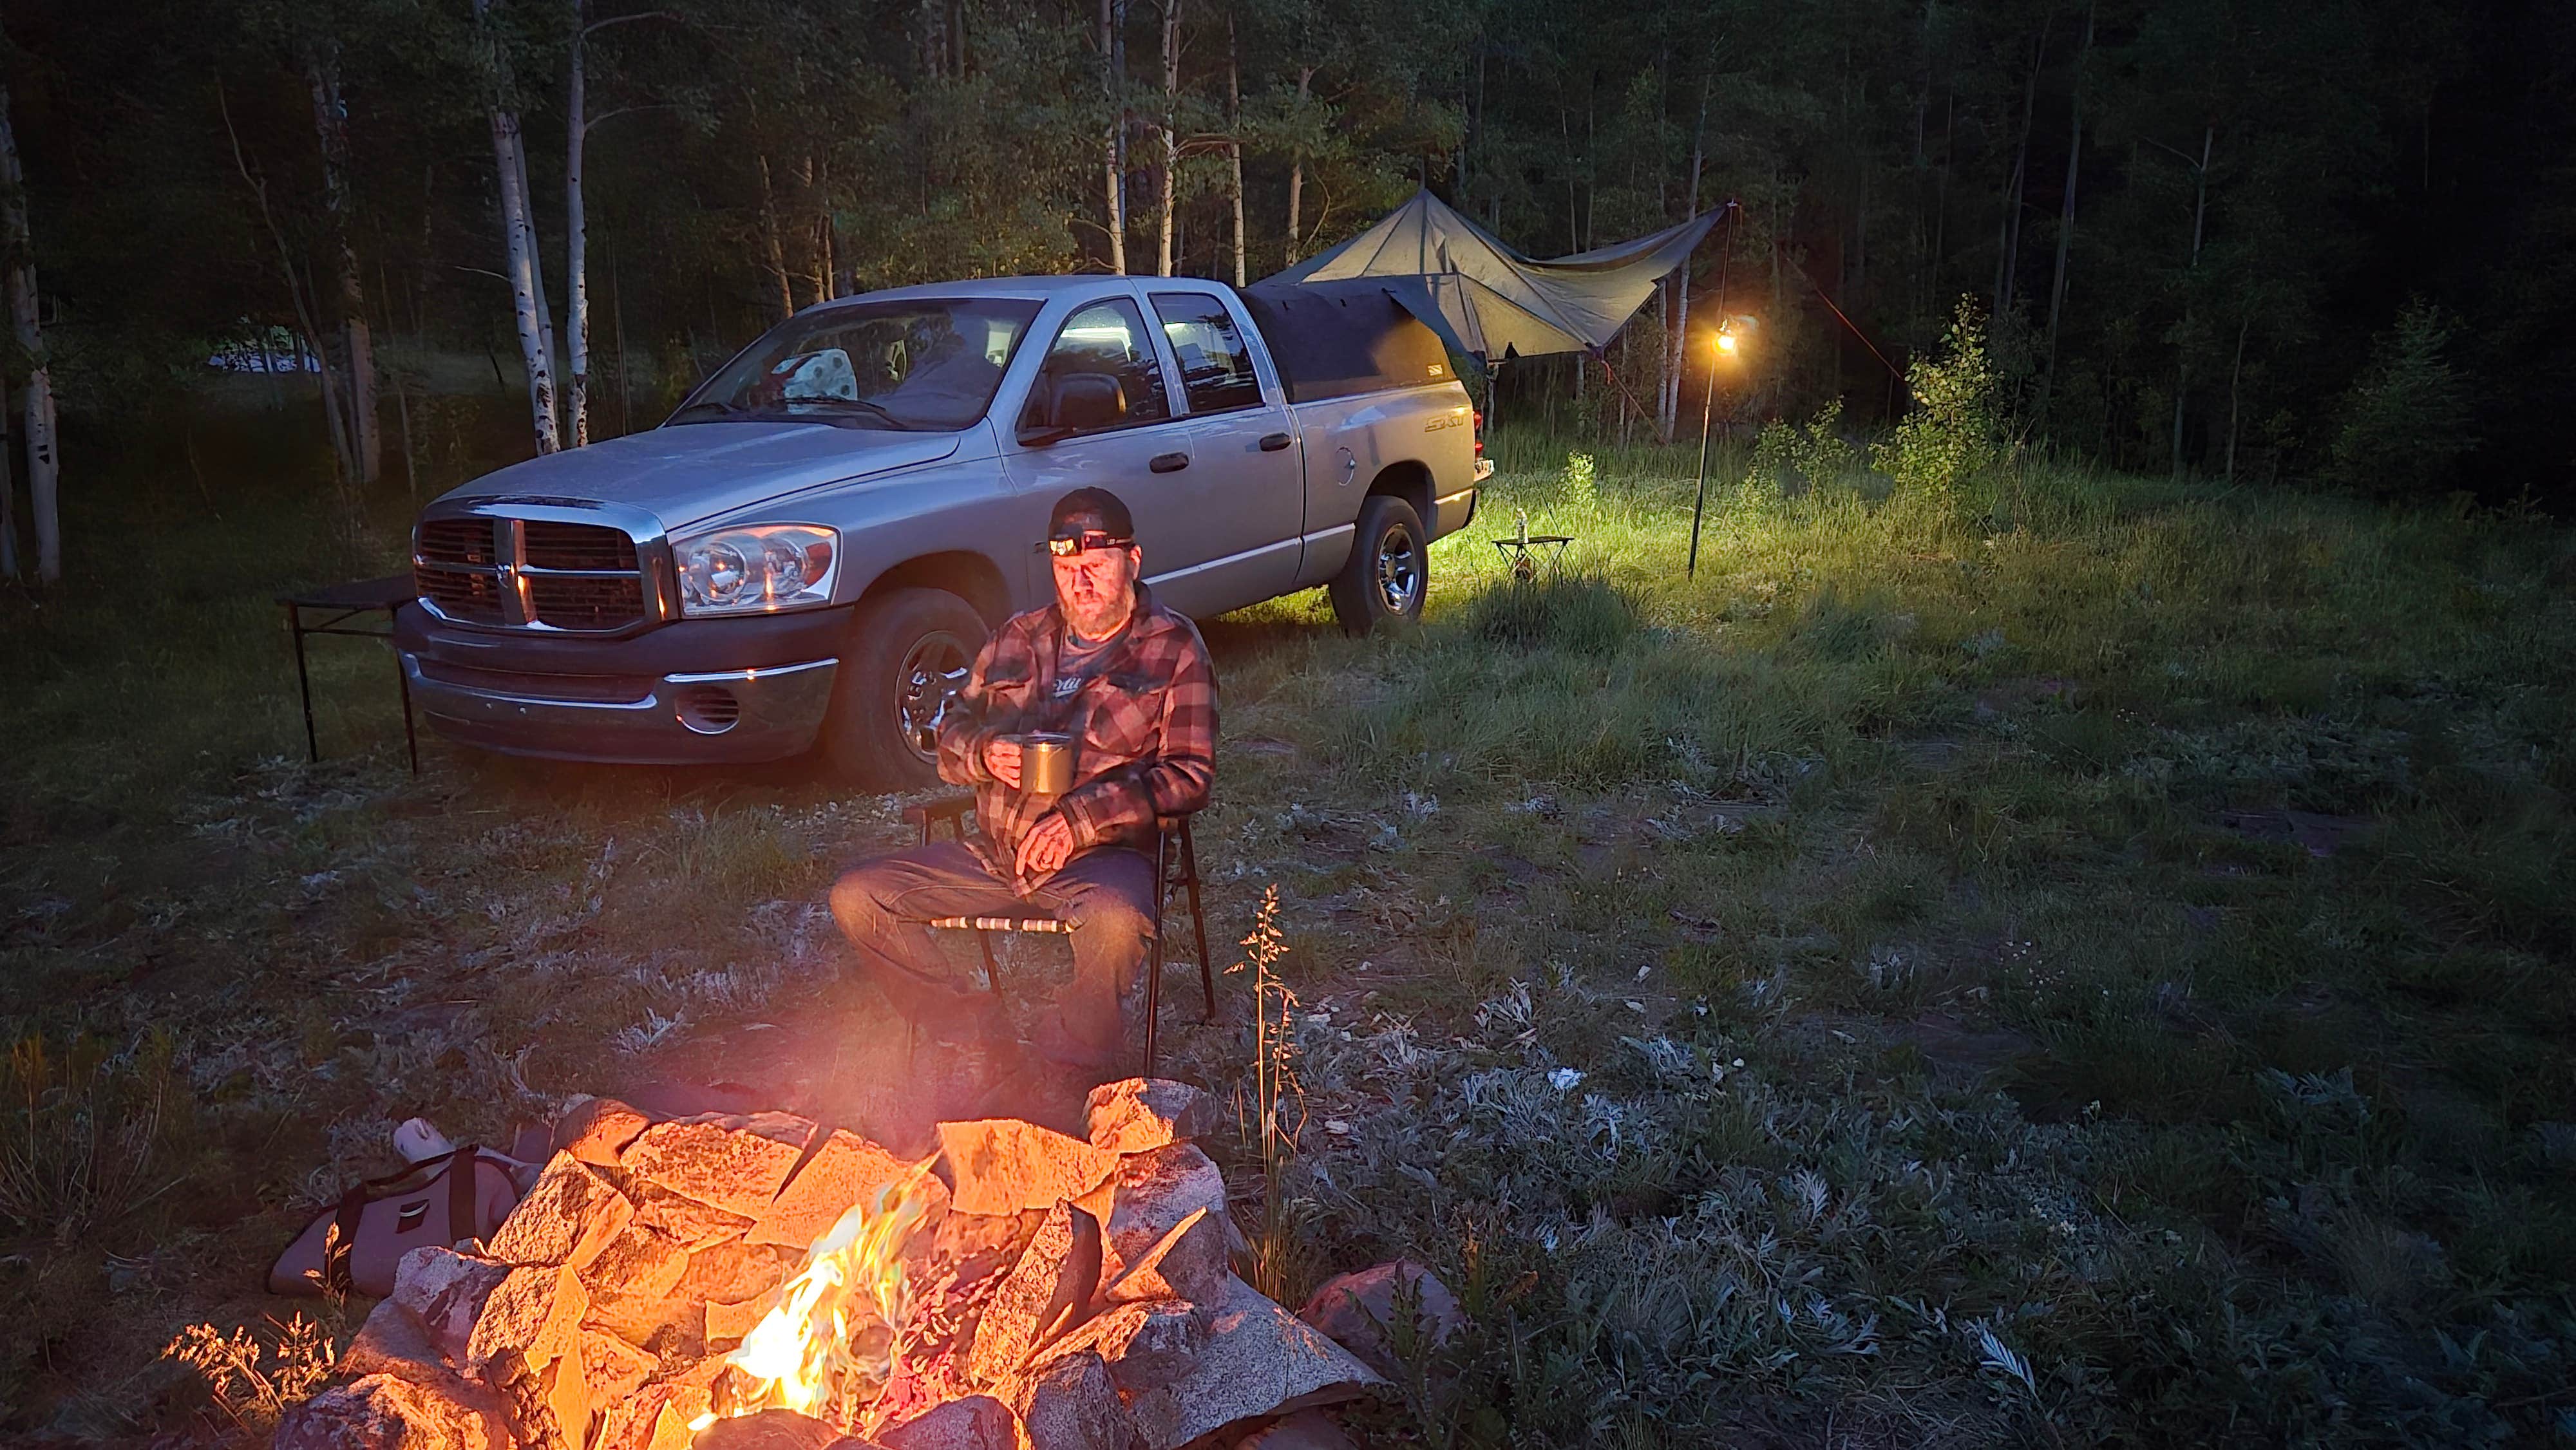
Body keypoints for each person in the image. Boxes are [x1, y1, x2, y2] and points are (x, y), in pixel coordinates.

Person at [828, 487, 1216, 1077]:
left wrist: (1079, 819)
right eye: (1065, 569)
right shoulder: (1017, 636)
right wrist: (986, 753)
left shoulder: (1173, 648)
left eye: (1094, 568)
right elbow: (950, 729)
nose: (1078, 585)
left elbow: (1190, 775)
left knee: (1115, 925)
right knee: (858, 898)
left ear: (1132, 562)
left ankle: (1065, 1062)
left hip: (1102, 860)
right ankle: (975, 1036)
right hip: (996, 852)